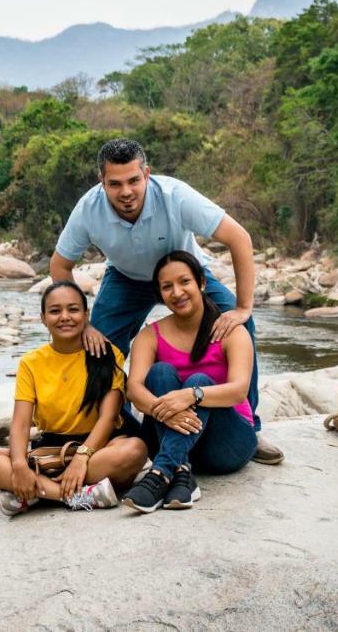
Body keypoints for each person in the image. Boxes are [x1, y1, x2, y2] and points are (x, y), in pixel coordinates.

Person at [49, 137, 282, 465]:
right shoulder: (88, 210)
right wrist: (84, 324)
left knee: (241, 322)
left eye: (134, 180)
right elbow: (60, 265)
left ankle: (250, 428)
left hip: (182, 274)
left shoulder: (175, 196)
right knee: (97, 351)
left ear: (147, 173)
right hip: (126, 279)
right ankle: (122, 434)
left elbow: (239, 238)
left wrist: (244, 308)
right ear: (102, 182)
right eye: (115, 184)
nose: (126, 191)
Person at [0, 281, 148, 516]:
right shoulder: (31, 362)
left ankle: (32, 492)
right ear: (43, 318)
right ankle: (73, 495)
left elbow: (108, 417)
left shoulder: (107, 354)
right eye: (55, 311)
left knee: (134, 450)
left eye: (73, 309)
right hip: (50, 451)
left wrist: (82, 458)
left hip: (96, 448)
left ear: (86, 315)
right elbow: (20, 422)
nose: (64, 317)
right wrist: (20, 464)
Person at [120, 250, 256, 513]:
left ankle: (161, 472)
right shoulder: (150, 335)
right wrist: (168, 414)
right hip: (169, 434)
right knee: (159, 373)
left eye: (184, 282)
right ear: (160, 295)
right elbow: (134, 389)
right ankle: (181, 471)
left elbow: (240, 391)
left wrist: (192, 395)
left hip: (227, 443)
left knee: (199, 380)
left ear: (201, 283)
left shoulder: (232, 331)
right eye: (167, 287)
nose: (177, 292)